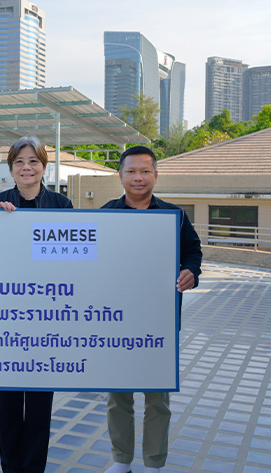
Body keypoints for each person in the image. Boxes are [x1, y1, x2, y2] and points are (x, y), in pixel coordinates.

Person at [102, 145, 202, 473]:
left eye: (145, 171)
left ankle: (154, 462)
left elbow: (193, 251)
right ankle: (122, 460)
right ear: (120, 176)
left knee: (158, 397)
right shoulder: (105, 215)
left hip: (159, 322)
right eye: (131, 171)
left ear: (156, 175)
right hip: (117, 322)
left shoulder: (175, 216)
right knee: (119, 396)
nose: (138, 177)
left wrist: (191, 271)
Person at [0, 135, 72, 473]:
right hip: (6, 322)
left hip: (45, 321)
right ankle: (10, 468)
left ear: (44, 167)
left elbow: (71, 259)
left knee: (39, 407)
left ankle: (34, 468)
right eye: (19, 162)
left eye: (33, 161)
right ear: (11, 168)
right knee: (7, 406)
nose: (26, 167)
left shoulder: (61, 205)